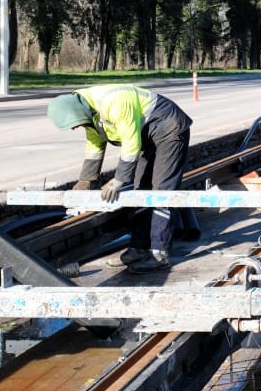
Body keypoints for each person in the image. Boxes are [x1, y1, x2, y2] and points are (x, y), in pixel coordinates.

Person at [47, 85, 192, 273]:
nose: (76, 128)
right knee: (141, 192)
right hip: (149, 137)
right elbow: (95, 145)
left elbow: (131, 143)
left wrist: (119, 179)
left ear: (78, 110)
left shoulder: (115, 101)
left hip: (169, 129)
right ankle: (139, 248)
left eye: (75, 123)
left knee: (161, 194)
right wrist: (86, 179)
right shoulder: (91, 112)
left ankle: (159, 254)